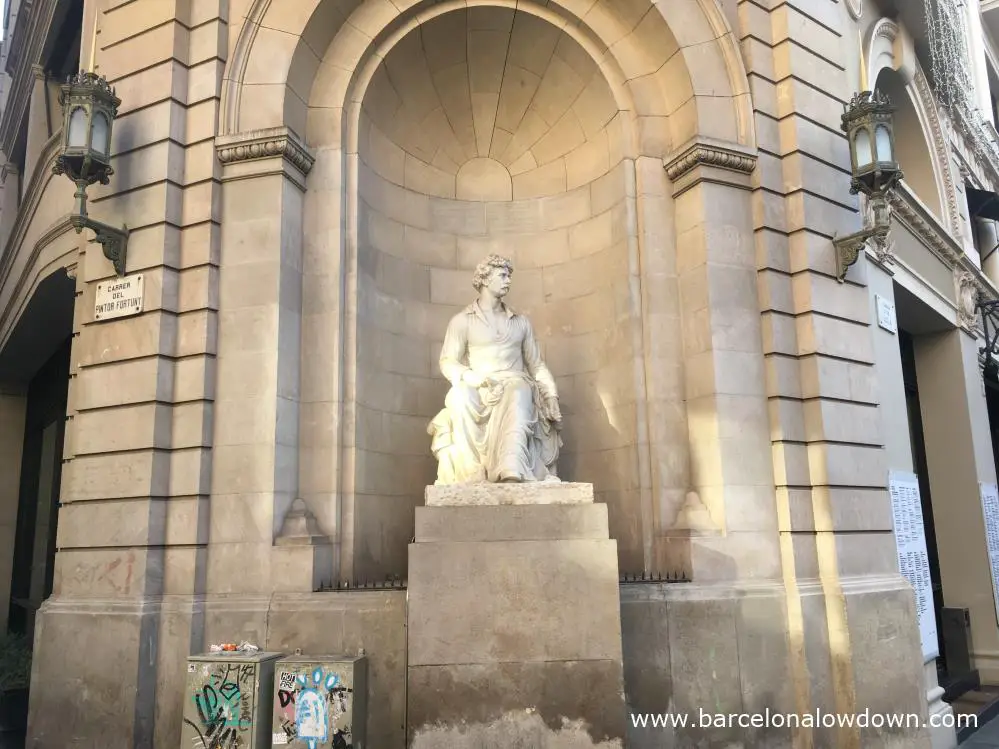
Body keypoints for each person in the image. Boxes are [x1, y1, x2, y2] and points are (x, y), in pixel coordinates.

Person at [428, 254, 562, 484]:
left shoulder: (520, 323)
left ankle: (512, 466)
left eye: (509, 276)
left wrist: (551, 394)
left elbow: (536, 364)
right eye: (502, 275)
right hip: (479, 385)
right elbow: (448, 361)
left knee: (519, 389)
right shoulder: (462, 321)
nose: (508, 280)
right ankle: (472, 473)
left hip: (513, 383)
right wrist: (473, 378)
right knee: (459, 396)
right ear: (485, 279)